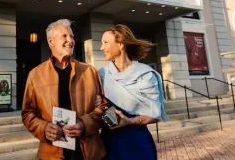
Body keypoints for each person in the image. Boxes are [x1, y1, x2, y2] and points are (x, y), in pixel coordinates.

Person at [22, 19, 108, 160]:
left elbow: (104, 108)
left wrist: (84, 124)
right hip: (52, 153)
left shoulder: (90, 72)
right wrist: (44, 128)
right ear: (51, 42)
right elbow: (28, 114)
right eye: (65, 36)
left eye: (72, 37)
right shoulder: (35, 75)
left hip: (89, 152)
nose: (70, 40)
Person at [95, 24, 168, 160]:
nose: (102, 48)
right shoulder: (101, 75)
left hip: (137, 141)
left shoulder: (146, 74)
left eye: (105, 43)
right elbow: (101, 109)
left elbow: (155, 114)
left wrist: (129, 121)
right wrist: (98, 105)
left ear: (121, 44)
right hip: (109, 142)